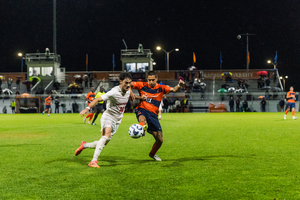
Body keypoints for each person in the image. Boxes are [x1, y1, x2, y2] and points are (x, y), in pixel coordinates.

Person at [75, 72, 133, 168]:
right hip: (108, 116)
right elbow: (97, 99)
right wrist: (87, 108)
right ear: (120, 81)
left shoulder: (128, 89)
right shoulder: (114, 92)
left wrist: (138, 97)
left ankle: (84, 145)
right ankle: (93, 161)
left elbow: (130, 89)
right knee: (106, 136)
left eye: (129, 83)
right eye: (126, 83)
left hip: (117, 120)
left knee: (102, 143)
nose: (128, 85)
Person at [131, 70, 185, 161]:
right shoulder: (142, 85)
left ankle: (152, 154)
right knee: (142, 119)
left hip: (153, 115)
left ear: (157, 79)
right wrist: (132, 94)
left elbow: (174, 90)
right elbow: (128, 84)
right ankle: (141, 127)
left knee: (160, 140)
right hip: (142, 109)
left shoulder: (161, 88)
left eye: (152, 80)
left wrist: (179, 85)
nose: (150, 82)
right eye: (149, 80)